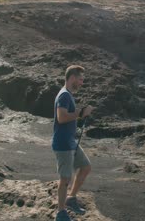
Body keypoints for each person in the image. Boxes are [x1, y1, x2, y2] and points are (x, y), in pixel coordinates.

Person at [52, 65, 94, 221]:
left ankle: (71, 199)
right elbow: (61, 118)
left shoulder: (68, 95)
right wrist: (81, 113)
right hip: (63, 143)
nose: (82, 83)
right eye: (81, 79)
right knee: (65, 179)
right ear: (73, 77)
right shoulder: (64, 95)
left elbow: (68, 115)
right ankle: (61, 213)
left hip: (71, 142)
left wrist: (80, 113)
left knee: (86, 167)